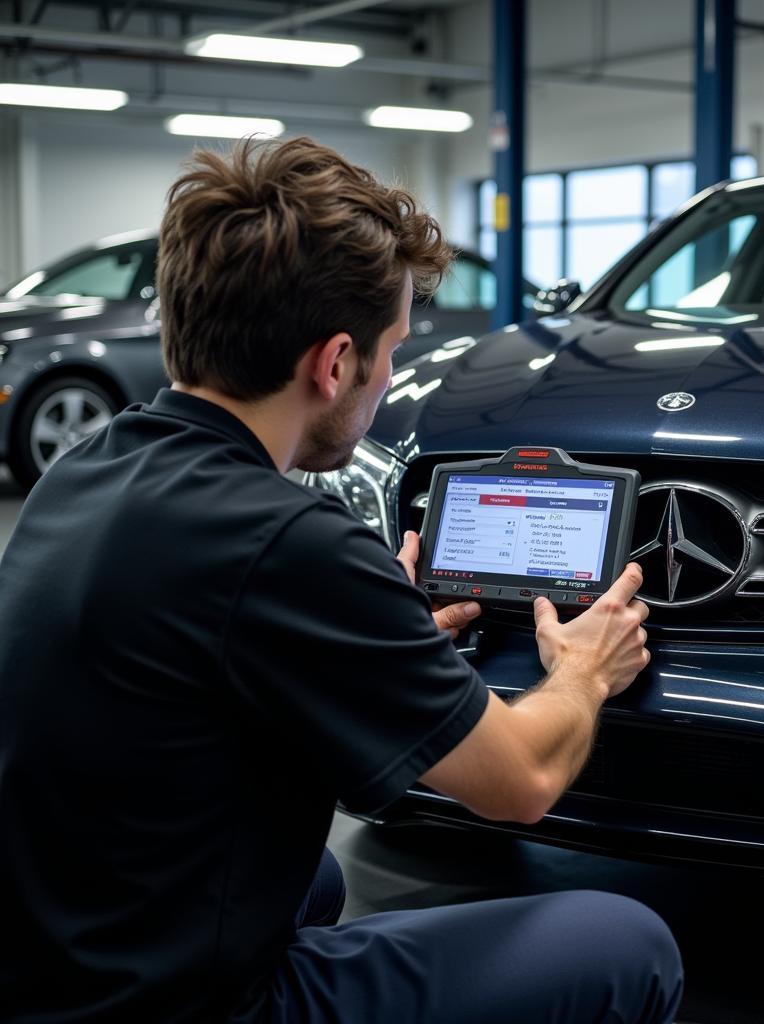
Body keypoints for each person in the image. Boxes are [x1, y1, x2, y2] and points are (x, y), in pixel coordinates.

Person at [0, 136, 683, 1024]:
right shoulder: (289, 540)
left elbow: (213, 657)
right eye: (389, 350)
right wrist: (585, 671)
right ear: (332, 364)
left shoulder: (86, 468)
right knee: (627, 945)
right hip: (162, 1005)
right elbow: (521, 780)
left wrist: (374, 639)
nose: (388, 374)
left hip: (42, 962)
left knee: (316, 877)